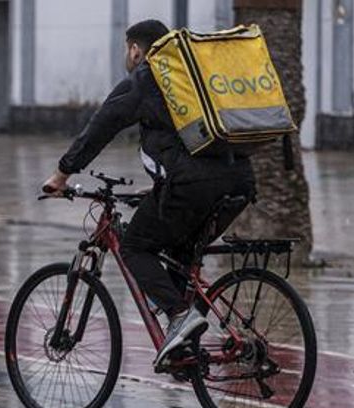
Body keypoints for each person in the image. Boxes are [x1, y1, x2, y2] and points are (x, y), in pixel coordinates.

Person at [41, 19, 256, 371]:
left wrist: (62, 174)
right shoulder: (195, 75)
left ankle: (180, 316)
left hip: (192, 185)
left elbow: (102, 125)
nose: (127, 57)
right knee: (178, 251)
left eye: (126, 50)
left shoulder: (147, 77)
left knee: (134, 247)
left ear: (135, 49)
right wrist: (163, 184)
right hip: (240, 181)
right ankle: (184, 350)